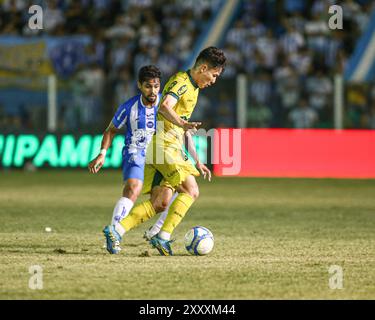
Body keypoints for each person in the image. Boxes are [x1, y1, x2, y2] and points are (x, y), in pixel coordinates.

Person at [103, 47, 226, 255]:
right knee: (191, 190)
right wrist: (181, 123)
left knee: (160, 203)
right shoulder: (181, 82)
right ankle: (162, 236)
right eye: (214, 75)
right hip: (163, 145)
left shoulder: (193, 88)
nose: (214, 81)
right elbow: (164, 106)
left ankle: (116, 230)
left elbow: (183, 127)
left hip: (165, 146)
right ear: (203, 68)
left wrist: (197, 161)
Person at [88, 65, 172, 241]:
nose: (153, 90)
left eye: (156, 86)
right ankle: (114, 234)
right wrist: (102, 153)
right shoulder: (129, 107)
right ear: (139, 85)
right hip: (135, 152)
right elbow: (111, 130)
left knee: (173, 193)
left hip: (159, 154)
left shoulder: (166, 105)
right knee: (133, 188)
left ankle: (156, 231)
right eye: (148, 86)